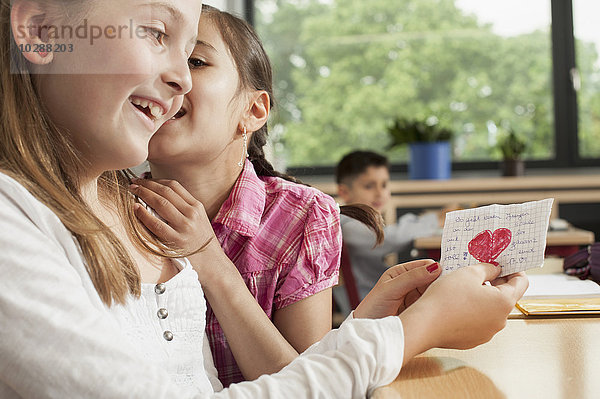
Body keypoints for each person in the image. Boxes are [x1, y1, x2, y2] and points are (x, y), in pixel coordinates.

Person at [0, 0, 529, 397]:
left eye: (193, 58)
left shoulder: (126, 209)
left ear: (254, 111)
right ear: (43, 30)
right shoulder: (62, 215)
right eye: (155, 31)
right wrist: (411, 332)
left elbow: (224, 381)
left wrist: (374, 328)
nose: (180, 79)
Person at [142, 4, 381, 386]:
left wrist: (208, 258)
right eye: (151, 55)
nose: (167, 73)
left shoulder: (302, 215)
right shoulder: (108, 205)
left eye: (195, 60)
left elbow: (305, 385)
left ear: (254, 110)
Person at [335, 150, 446, 302]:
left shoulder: (354, 223)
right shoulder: (347, 226)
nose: (380, 193)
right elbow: (392, 238)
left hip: (381, 299)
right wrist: (435, 221)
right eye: (369, 186)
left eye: (384, 185)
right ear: (344, 192)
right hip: (370, 306)